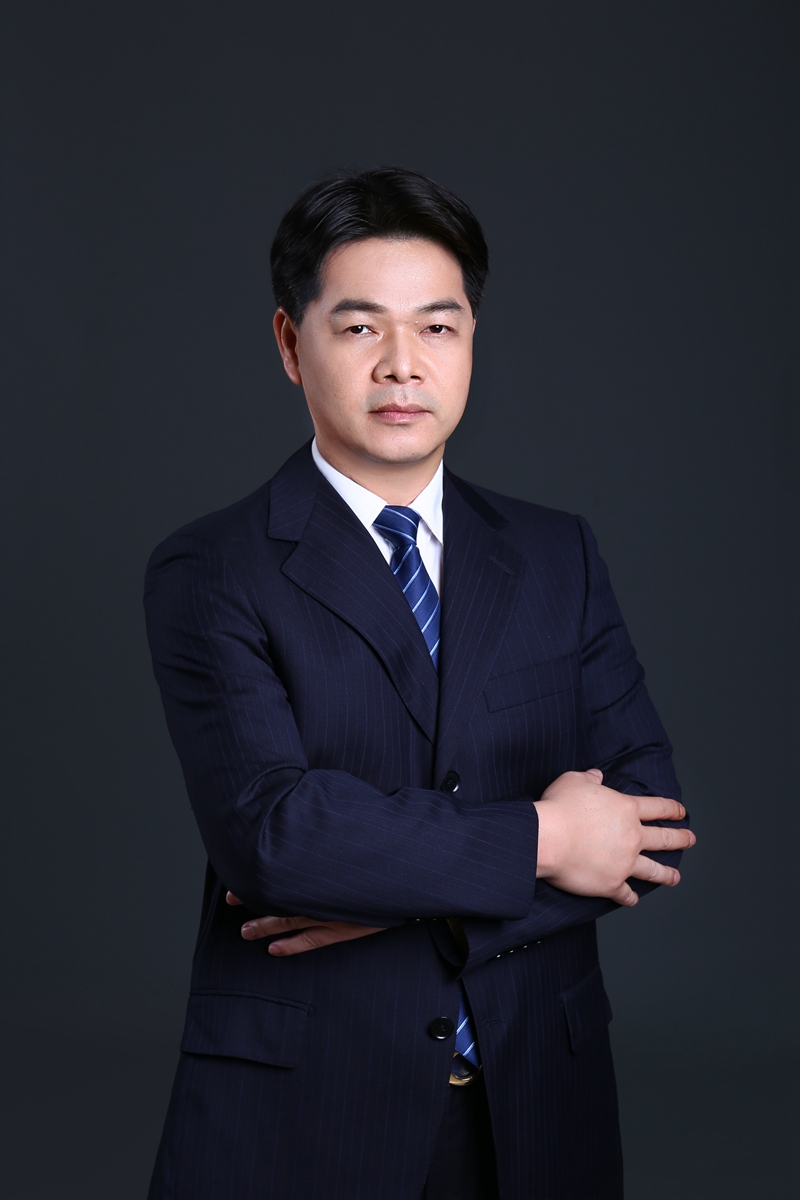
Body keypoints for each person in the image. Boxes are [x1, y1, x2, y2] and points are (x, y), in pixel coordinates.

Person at [144, 167, 695, 1200]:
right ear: (289, 343)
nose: (403, 364)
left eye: (437, 327)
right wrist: (545, 838)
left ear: (471, 337)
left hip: (539, 1105)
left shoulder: (556, 555)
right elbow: (276, 835)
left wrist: (408, 907)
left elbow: (649, 819)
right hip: (307, 1111)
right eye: (360, 328)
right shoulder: (213, 568)